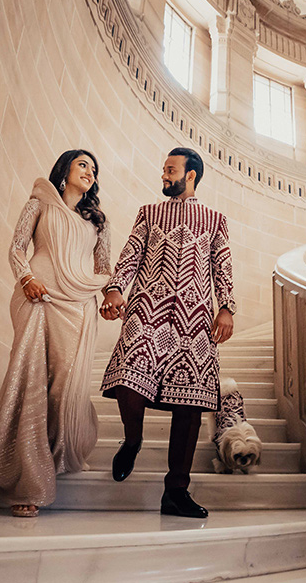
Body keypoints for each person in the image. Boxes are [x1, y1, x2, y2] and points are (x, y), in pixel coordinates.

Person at [0, 150, 111, 518]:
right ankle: (26, 480)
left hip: (78, 304)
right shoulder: (40, 204)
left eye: (94, 169)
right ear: (65, 170)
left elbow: (104, 266)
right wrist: (27, 278)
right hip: (37, 294)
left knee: (62, 385)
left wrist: (109, 293)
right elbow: (17, 247)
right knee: (30, 377)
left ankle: (47, 454)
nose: (90, 172)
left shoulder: (98, 221)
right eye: (83, 164)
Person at [99, 147, 236, 518]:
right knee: (129, 378)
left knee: (190, 405)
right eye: (163, 169)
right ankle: (133, 440)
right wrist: (114, 289)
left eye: (170, 169)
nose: (164, 174)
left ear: (190, 174)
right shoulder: (149, 213)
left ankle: (176, 491)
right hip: (147, 309)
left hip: (195, 320)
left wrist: (226, 308)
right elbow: (130, 256)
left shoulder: (214, 220)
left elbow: (222, 267)